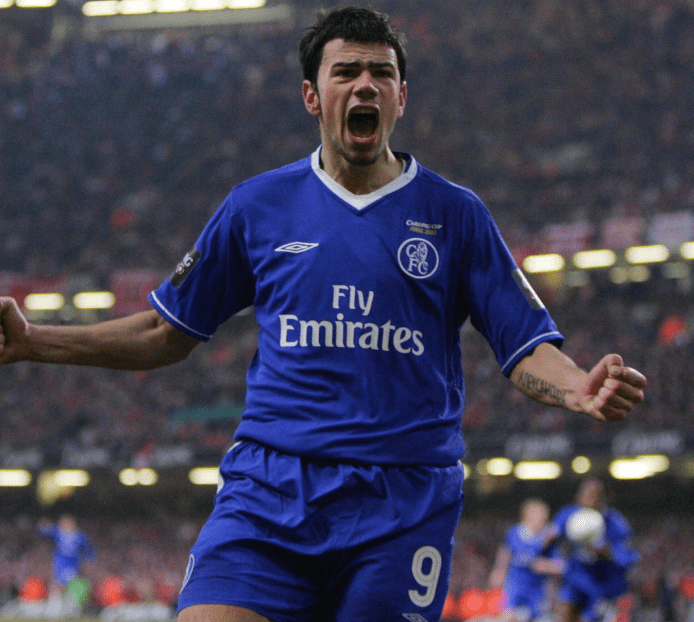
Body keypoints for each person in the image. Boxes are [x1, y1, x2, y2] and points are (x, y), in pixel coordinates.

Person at [0, 6, 647, 622]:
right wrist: (32, 340)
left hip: (402, 502)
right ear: (312, 96)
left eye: (381, 73)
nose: (365, 85)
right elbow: (164, 329)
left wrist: (577, 389)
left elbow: (524, 344)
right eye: (346, 72)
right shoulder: (256, 206)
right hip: (269, 490)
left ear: (400, 97)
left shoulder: (456, 215)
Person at [548, 479, 640, 622]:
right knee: (565, 611)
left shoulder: (615, 523)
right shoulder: (568, 515)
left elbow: (629, 557)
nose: (590, 499)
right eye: (587, 495)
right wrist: (555, 554)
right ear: (579, 497)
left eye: (595, 495)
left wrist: (606, 552)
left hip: (604, 584)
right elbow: (550, 540)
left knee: (593, 618)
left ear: (603, 499)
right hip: (576, 578)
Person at [489, 499, 563, 622]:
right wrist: (499, 571)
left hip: (537, 589)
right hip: (515, 584)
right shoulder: (514, 533)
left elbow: (560, 566)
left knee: (534, 618)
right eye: (540, 516)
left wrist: (545, 566)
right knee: (507, 617)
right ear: (527, 516)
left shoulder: (549, 539)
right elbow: (505, 552)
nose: (544, 520)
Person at [37, 514, 95, 614]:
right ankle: (57, 610)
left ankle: (66, 610)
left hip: (72, 566)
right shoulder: (59, 533)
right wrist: (43, 525)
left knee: (64, 587)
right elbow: (45, 532)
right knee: (58, 587)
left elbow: (89, 549)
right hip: (59, 565)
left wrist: (90, 560)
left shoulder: (79, 536)